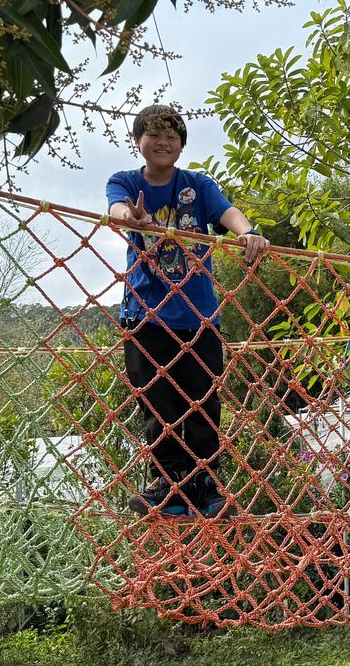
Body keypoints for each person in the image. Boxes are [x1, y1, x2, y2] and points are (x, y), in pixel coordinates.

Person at [106, 104, 268, 517]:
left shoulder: (197, 185)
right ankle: (168, 484)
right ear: (138, 141)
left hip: (198, 317)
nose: (163, 143)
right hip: (146, 316)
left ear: (181, 145)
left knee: (202, 402)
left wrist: (247, 232)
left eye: (172, 136)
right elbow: (116, 209)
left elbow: (228, 213)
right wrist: (132, 217)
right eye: (154, 135)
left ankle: (206, 484)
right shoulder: (125, 181)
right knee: (157, 402)